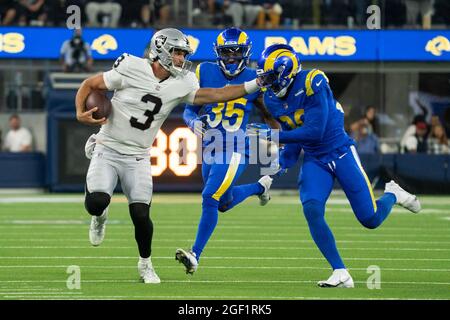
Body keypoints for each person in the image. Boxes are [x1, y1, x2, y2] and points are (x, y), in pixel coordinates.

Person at [75, 28, 261, 284]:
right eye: (177, 52)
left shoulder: (183, 82)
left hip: (138, 156)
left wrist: (255, 84)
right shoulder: (130, 66)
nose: (182, 58)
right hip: (107, 147)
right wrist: (79, 112)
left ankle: (145, 265)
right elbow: (89, 85)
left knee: (141, 215)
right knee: (96, 202)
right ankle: (99, 216)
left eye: (184, 53)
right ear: (161, 49)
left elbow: (217, 95)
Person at [251, 44, 421, 288]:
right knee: (311, 208)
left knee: (370, 219)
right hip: (314, 159)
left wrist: (271, 135)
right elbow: (292, 136)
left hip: (339, 152)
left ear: (286, 73)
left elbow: (314, 131)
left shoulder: (313, 81)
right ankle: (340, 271)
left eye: (271, 78)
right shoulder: (271, 98)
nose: (267, 84)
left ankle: (393, 194)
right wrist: (280, 166)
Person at [175, 28, 279, 275]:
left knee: (209, 197)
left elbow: (271, 118)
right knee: (223, 203)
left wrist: (275, 137)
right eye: (226, 53)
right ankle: (259, 187)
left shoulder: (257, 78)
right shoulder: (203, 71)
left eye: (237, 53)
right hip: (209, 146)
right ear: (218, 53)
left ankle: (194, 254)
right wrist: (192, 121)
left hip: (235, 149)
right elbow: (189, 108)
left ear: (246, 53)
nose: (232, 58)